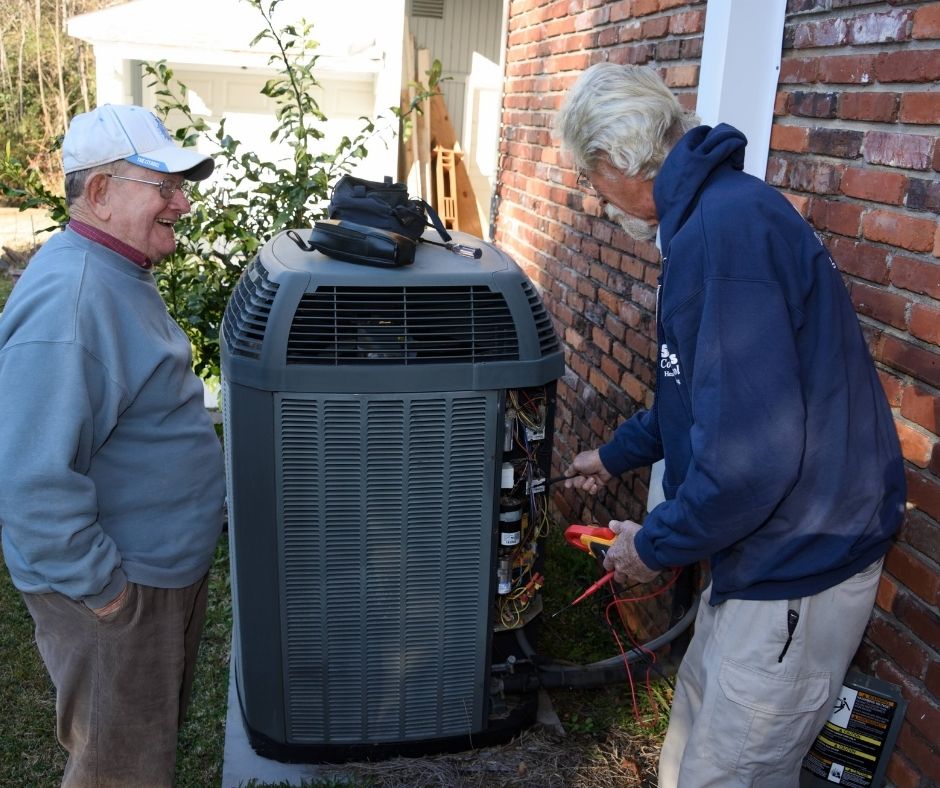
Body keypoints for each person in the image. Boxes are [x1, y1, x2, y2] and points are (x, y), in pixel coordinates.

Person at [556, 64, 906, 787]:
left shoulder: (724, 237)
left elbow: (750, 459)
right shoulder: (713, 219)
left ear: (618, 161)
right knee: (688, 748)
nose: (596, 198)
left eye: (592, 179)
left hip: (797, 566)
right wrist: (611, 455)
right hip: (759, 560)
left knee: (727, 773)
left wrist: (653, 547)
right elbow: (698, 399)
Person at [0, 104, 226, 786]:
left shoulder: (115, 272)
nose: (182, 204)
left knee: (139, 759)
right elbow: (29, 482)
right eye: (165, 187)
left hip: (152, 579)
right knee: (117, 772)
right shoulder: (72, 300)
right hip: (118, 597)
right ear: (99, 193)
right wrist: (106, 596)